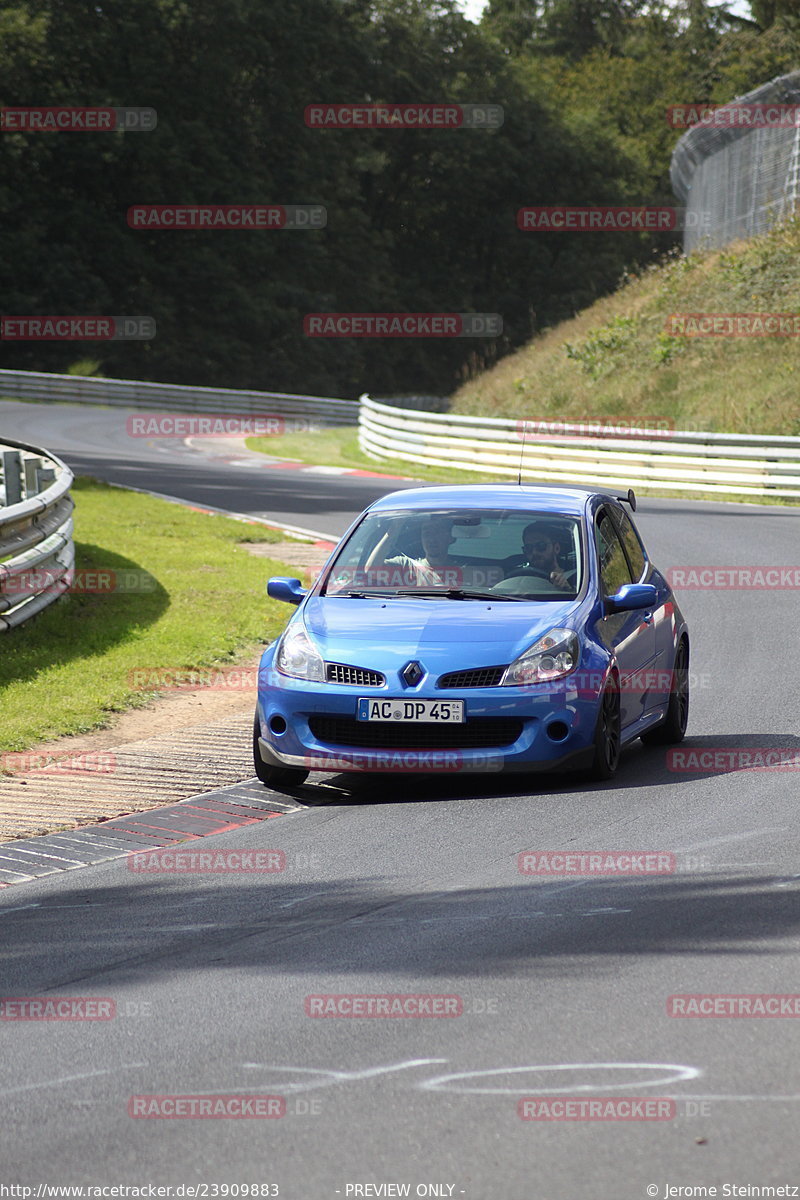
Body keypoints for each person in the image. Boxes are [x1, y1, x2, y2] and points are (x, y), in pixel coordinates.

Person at [518, 522, 575, 589]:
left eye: (541, 546)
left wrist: (567, 590)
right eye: (528, 548)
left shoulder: (578, 579)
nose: (534, 552)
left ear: (556, 548)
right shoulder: (520, 580)